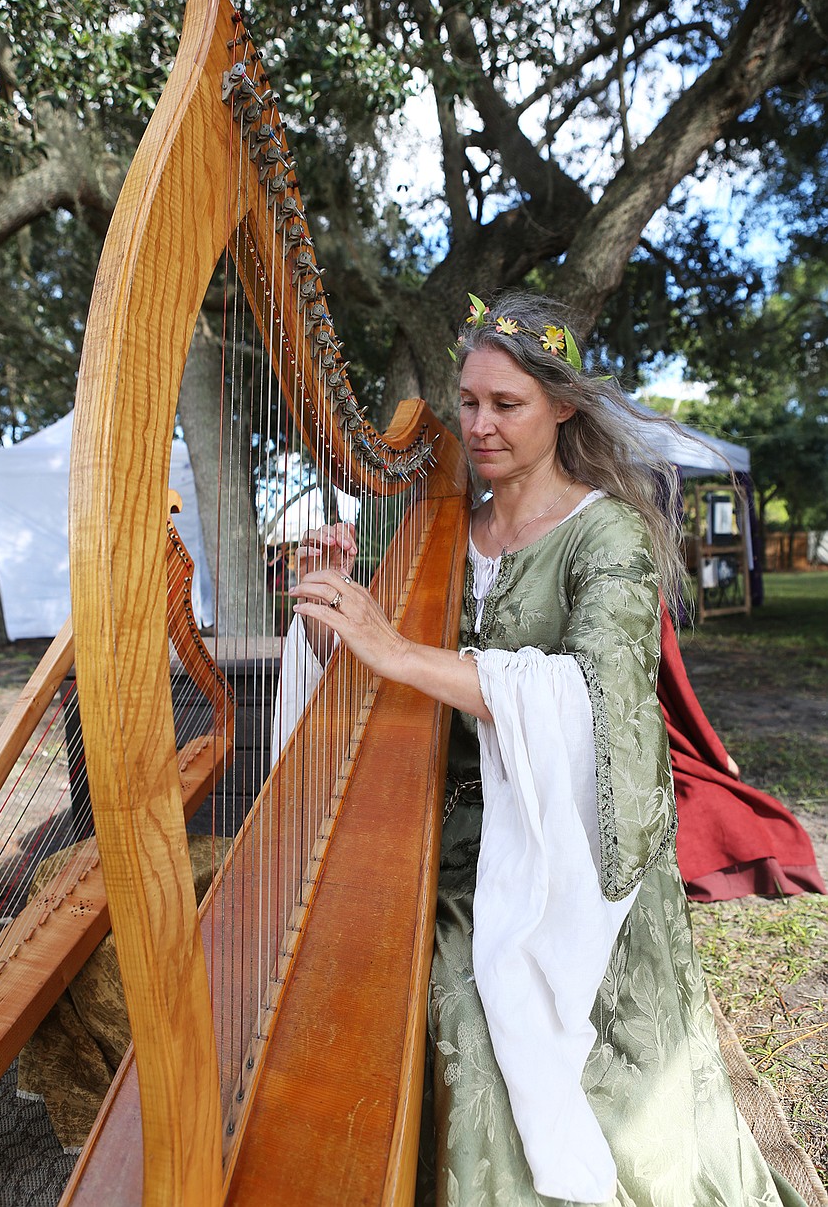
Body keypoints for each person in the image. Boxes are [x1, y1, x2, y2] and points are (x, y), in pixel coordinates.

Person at [287, 291, 809, 1207]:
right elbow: (391, 687)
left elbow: (599, 703)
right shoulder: (445, 531)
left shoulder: (602, 530)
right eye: (469, 401)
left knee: (477, 1003)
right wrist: (337, 606)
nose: (479, 425)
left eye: (506, 404)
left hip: (562, 843)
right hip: (448, 836)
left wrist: (402, 648)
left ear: (563, 407)